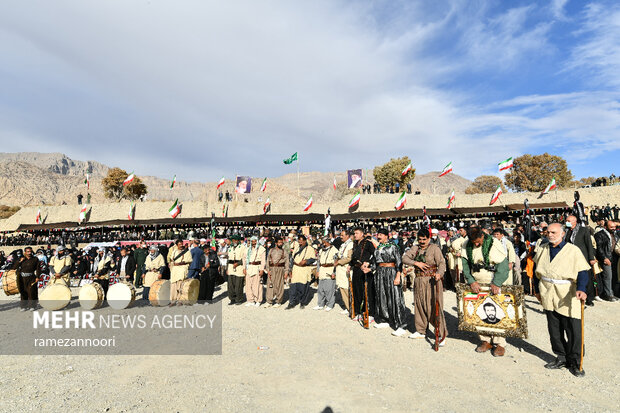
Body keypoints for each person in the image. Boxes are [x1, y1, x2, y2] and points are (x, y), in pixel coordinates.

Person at [534, 223, 590, 377]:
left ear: (563, 234)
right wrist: (536, 290)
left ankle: (576, 362)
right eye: (548, 232)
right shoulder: (543, 248)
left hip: (567, 293)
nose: (550, 235)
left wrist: (582, 289)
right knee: (554, 329)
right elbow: (535, 269)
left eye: (553, 232)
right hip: (548, 292)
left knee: (573, 329)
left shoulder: (573, 250)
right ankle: (561, 357)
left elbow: (582, 271)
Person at [461, 225, 510, 356]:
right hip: (477, 282)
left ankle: (499, 343)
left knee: (497, 311)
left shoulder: (493, 243)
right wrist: (471, 281)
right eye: (474, 242)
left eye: (478, 241)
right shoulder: (467, 245)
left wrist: (497, 282)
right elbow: (465, 266)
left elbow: (503, 265)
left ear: (482, 235)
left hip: (493, 280)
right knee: (481, 311)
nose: (476, 244)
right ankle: (485, 340)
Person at [402, 228, 448, 344]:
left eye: (424, 239)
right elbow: (405, 258)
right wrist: (416, 263)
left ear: (429, 238)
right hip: (418, 280)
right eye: (420, 239)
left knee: (433, 305)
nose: (422, 242)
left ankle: (441, 334)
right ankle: (421, 330)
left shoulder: (434, 248)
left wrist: (439, 273)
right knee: (419, 305)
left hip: (432, 280)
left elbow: (442, 263)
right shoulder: (415, 248)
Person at [367, 228, 408, 337]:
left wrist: (398, 276)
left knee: (395, 298)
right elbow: (375, 263)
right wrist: (369, 268)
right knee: (381, 296)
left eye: (380, 234)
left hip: (392, 272)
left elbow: (399, 262)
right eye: (377, 234)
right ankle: (384, 319)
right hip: (380, 274)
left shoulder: (394, 247)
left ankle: (400, 325)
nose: (378, 236)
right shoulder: (378, 248)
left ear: (386, 236)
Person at [564, 215, 597, 307]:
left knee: (587, 278)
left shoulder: (583, 230)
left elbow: (589, 245)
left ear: (574, 222)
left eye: (568, 221)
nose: (567, 222)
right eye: (566, 220)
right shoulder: (566, 231)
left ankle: (589, 298)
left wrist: (591, 258)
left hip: (583, 257)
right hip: (570, 258)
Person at [350, 227, 375, 321]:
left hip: (365, 270)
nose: (355, 235)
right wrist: (350, 265)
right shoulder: (356, 244)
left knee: (367, 292)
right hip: (356, 270)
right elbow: (354, 257)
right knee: (357, 291)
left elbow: (375, 255)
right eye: (354, 233)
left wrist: (368, 262)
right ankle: (358, 312)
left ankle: (370, 313)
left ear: (362, 234)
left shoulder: (368, 243)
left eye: (356, 233)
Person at [286, 234, 316, 310]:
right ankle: (292, 302)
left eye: (301, 241)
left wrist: (306, 261)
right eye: (299, 241)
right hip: (296, 269)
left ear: (305, 241)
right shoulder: (296, 247)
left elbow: (313, 259)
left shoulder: (310, 249)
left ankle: (302, 302)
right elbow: (292, 259)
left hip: (304, 269)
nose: (300, 243)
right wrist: (290, 270)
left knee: (303, 287)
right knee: (293, 287)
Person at [593, 220, 618, 301]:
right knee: (607, 277)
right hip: (606, 258)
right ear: (605, 227)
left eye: (614, 227)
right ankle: (608, 295)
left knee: (613, 277)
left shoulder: (615, 234)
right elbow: (599, 248)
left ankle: (612, 293)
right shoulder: (599, 235)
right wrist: (604, 258)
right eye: (611, 227)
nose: (613, 228)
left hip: (613, 258)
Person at [264, 236, 290, 307]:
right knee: (270, 284)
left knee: (279, 285)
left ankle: (278, 301)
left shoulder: (284, 252)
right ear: (276, 243)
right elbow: (268, 260)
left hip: (280, 269)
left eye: (282, 242)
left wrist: (286, 272)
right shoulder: (271, 250)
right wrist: (268, 270)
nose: (281, 244)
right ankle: (269, 301)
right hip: (272, 269)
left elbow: (287, 262)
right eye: (279, 242)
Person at [314, 237, 338, 311]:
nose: (323, 243)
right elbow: (318, 261)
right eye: (323, 242)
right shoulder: (321, 250)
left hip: (330, 270)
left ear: (328, 242)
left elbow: (336, 262)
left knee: (329, 289)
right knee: (320, 289)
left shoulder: (334, 250)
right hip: (322, 270)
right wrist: (317, 271)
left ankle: (330, 304)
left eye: (324, 242)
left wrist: (334, 272)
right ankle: (320, 304)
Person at [13, 247, 41, 311]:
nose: (29, 253)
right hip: (22, 278)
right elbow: (14, 267)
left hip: (31, 277)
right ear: (25, 252)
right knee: (23, 292)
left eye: (30, 251)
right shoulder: (21, 259)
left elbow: (38, 269)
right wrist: (20, 261)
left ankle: (33, 306)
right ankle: (24, 306)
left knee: (32, 292)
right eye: (28, 252)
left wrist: (37, 277)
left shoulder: (35, 259)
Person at [167, 239, 193, 305]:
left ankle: (180, 300)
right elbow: (171, 260)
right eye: (179, 244)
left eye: (181, 244)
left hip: (182, 268)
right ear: (177, 245)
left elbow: (189, 260)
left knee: (180, 285)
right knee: (173, 285)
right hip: (175, 269)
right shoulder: (174, 251)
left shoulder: (187, 252)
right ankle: (173, 300)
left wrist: (183, 263)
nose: (181, 245)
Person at [335, 230, 354, 315]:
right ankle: (347, 307)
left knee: (347, 290)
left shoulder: (350, 244)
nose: (341, 237)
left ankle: (351, 308)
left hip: (346, 270)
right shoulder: (343, 244)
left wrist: (339, 262)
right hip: (341, 271)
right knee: (342, 290)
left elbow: (349, 258)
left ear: (348, 236)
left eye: (342, 235)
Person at [243, 236, 266, 306]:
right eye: (252, 241)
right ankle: (250, 300)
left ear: (257, 241)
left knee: (257, 285)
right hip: (249, 268)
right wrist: (244, 268)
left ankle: (258, 300)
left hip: (257, 268)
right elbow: (244, 259)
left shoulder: (261, 249)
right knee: (248, 286)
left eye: (255, 241)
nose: (253, 243)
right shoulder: (247, 249)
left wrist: (262, 269)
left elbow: (263, 260)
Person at [227, 235, 247, 305]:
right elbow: (228, 259)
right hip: (231, 267)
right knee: (230, 285)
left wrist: (238, 263)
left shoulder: (243, 247)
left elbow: (244, 258)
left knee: (238, 285)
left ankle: (239, 299)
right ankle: (232, 299)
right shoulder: (230, 248)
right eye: (233, 240)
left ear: (238, 241)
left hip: (239, 267)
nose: (234, 241)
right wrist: (227, 268)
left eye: (235, 240)